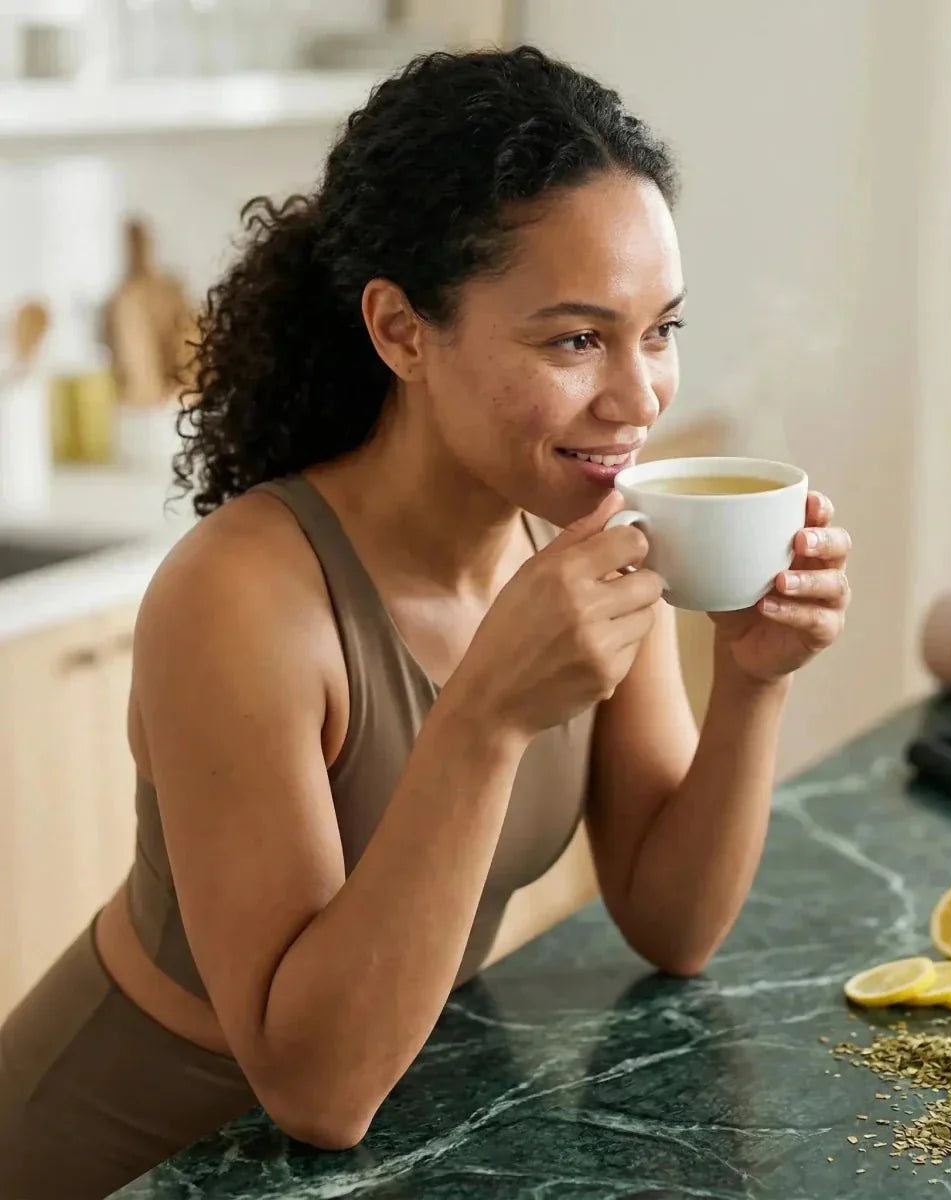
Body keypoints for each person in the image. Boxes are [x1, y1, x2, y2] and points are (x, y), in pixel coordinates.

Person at [0, 45, 851, 1198]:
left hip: (388, 1136)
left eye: (659, 330)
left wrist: (751, 679)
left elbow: (672, 923)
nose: (640, 397)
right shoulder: (245, 596)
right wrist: (487, 716)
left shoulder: (585, 531)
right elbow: (315, 1092)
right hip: (133, 1153)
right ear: (402, 332)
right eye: (574, 339)